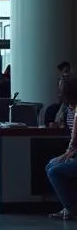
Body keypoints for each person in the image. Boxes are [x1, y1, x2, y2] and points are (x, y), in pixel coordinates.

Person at [46, 78, 77, 220]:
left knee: (54, 171)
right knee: (51, 165)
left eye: (61, 89)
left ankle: (71, 209)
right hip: (74, 153)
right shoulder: (69, 109)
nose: (58, 93)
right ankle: (68, 206)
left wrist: (68, 154)